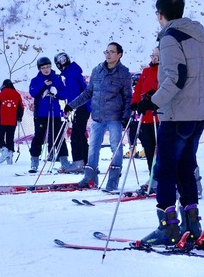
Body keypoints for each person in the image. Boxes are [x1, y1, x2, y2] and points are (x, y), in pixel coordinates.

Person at [137, 0, 204, 247]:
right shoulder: (198, 36)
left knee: (165, 170)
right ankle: (192, 225)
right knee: (186, 168)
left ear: (160, 15)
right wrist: (158, 92)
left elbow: (175, 78)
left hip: (176, 115)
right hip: (198, 114)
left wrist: (152, 101)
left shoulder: (169, 37)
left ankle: (168, 227)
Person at [65, 42, 132, 191]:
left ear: (119, 55)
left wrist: (127, 115)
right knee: (93, 148)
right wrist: (72, 105)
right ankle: (90, 176)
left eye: (111, 52)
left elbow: (128, 97)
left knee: (116, 148)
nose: (108, 54)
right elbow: (89, 92)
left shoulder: (124, 73)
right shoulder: (97, 70)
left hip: (114, 117)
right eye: (106, 51)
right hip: (97, 116)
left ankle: (113, 180)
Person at [28, 57, 68, 173]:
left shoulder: (57, 78)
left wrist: (56, 93)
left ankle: (64, 162)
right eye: (43, 68)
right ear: (40, 69)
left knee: (58, 136)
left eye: (48, 67)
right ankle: (34, 162)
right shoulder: (36, 80)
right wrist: (43, 85)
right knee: (39, 137)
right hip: (41, 113)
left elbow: (64, 93)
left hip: (55, 112)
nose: (46, 69)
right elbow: (33, 92)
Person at [54, 52, 91, 173]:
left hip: (79, 106)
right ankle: (85, 162)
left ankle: (78, 162)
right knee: (80, 134)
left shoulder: (70, 74)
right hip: (82, 106)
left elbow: (73, 93)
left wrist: (71, 106)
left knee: (76, 134)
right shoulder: (71, 72)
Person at [130, 47, 160, 188]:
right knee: (148, 148)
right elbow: (139, 89)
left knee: (160, 149)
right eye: (152, 55)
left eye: (156, 55)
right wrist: (135, 103)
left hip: (159, 117)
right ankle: (152, 177)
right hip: (146, 117)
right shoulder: (146, 71)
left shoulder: (165, 71)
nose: (153, 58)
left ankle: (163, 179)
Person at [0, 79, 24, 165]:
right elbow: (21, 107)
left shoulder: (0, 94)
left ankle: (4, 150)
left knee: (0, 137)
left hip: (2, 119)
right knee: (10, 138)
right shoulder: (17, 94)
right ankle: (10, 155)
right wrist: (19, 117)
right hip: (12, 120)